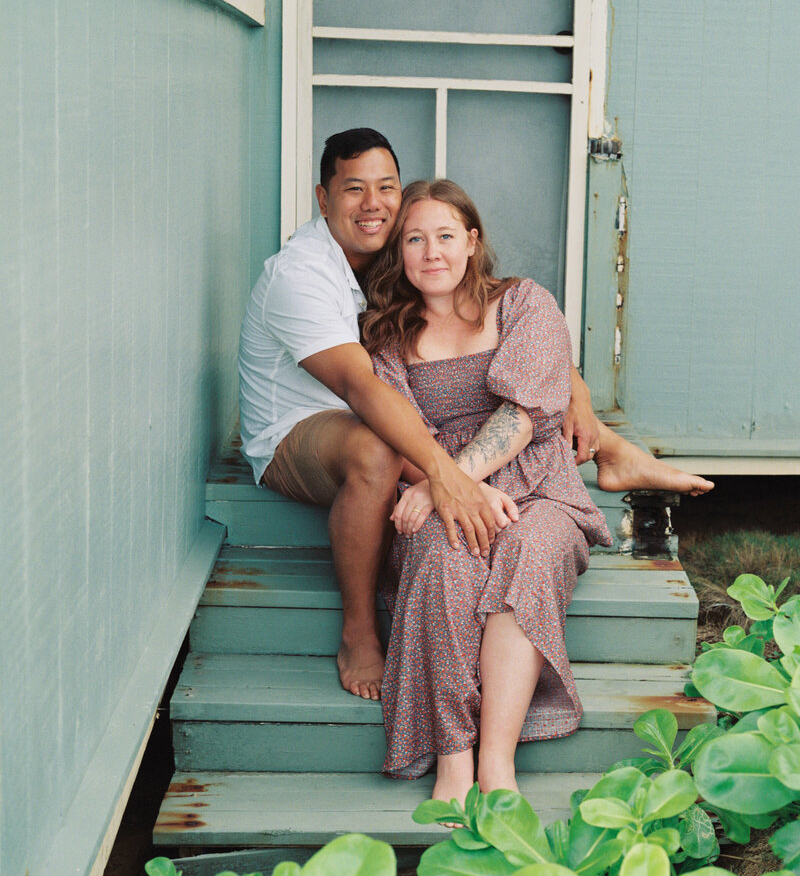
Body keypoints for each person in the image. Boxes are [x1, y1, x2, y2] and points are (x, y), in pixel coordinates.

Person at [238, 128, 712, 703]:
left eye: (386, 187)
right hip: (300, 428)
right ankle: (359, 630)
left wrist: (575, 391)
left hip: (380, 414)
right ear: (322, 198)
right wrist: (449, 479)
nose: (373, 204)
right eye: (353, 189)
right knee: (380, 447)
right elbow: (359, 386)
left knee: (492, 381)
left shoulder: (390, 252)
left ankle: (608, 449)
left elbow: (515, 327)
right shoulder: (302, 274)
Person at [360, 179, 614, 802]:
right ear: (399, 252)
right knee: (443, 561)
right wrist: (439, 490)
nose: (431, 252)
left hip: (538, 481)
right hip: (437, 484)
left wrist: (459, 482)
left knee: (530, 551)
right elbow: (400, 433)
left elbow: (526, 414)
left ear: (472, 242)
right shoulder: (386, 337)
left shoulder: (525, 303)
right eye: (414, 239)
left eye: (446, 236)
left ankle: (497, 763)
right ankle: (454, 757)